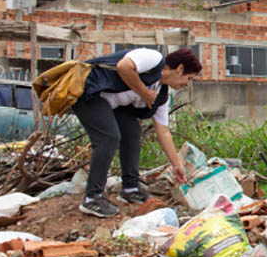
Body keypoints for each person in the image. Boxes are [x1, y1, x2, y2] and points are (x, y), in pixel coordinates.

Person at [73, 47, 201, 218]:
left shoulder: (162, 94)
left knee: (132, 133)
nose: (187, 84)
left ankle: (130, 187)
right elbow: (124, 66)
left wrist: (176, 165)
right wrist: (144, 92)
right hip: (90, 93)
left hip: (113, 106)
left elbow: (163, 131)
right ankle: (92, 198)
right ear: (179, 69)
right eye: (188, 78)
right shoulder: (153, 59)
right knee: (109, 138)